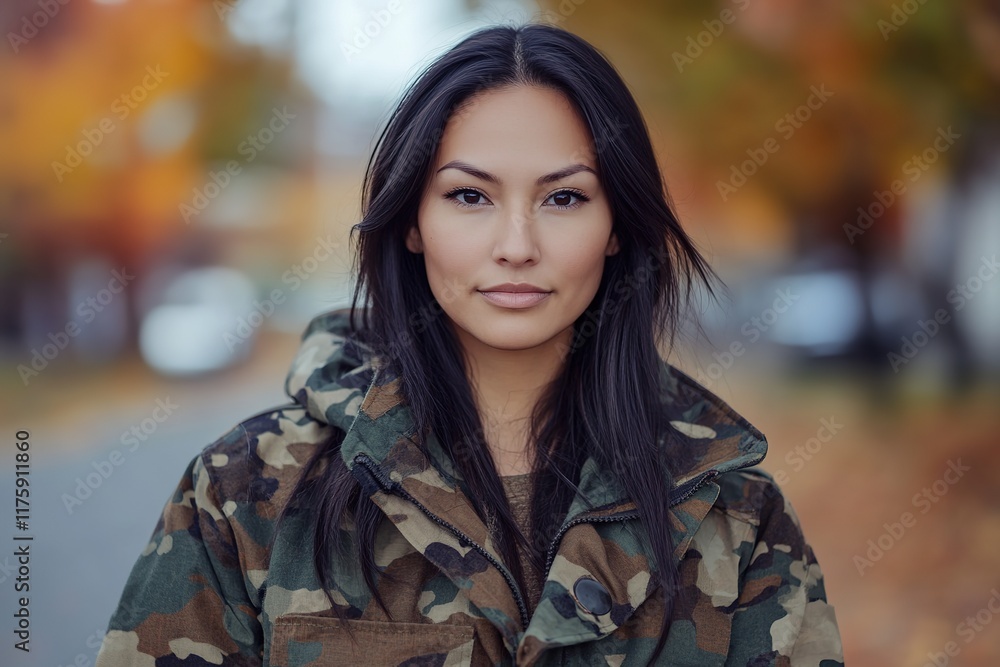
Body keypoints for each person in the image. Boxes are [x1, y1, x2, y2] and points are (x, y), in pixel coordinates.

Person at [95, 22, 844, 667]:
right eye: (469, 196)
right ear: (413, 222)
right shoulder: (245, 495)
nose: (516, 245)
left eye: (564, 197)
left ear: (616, 226)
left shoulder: (734, 516)